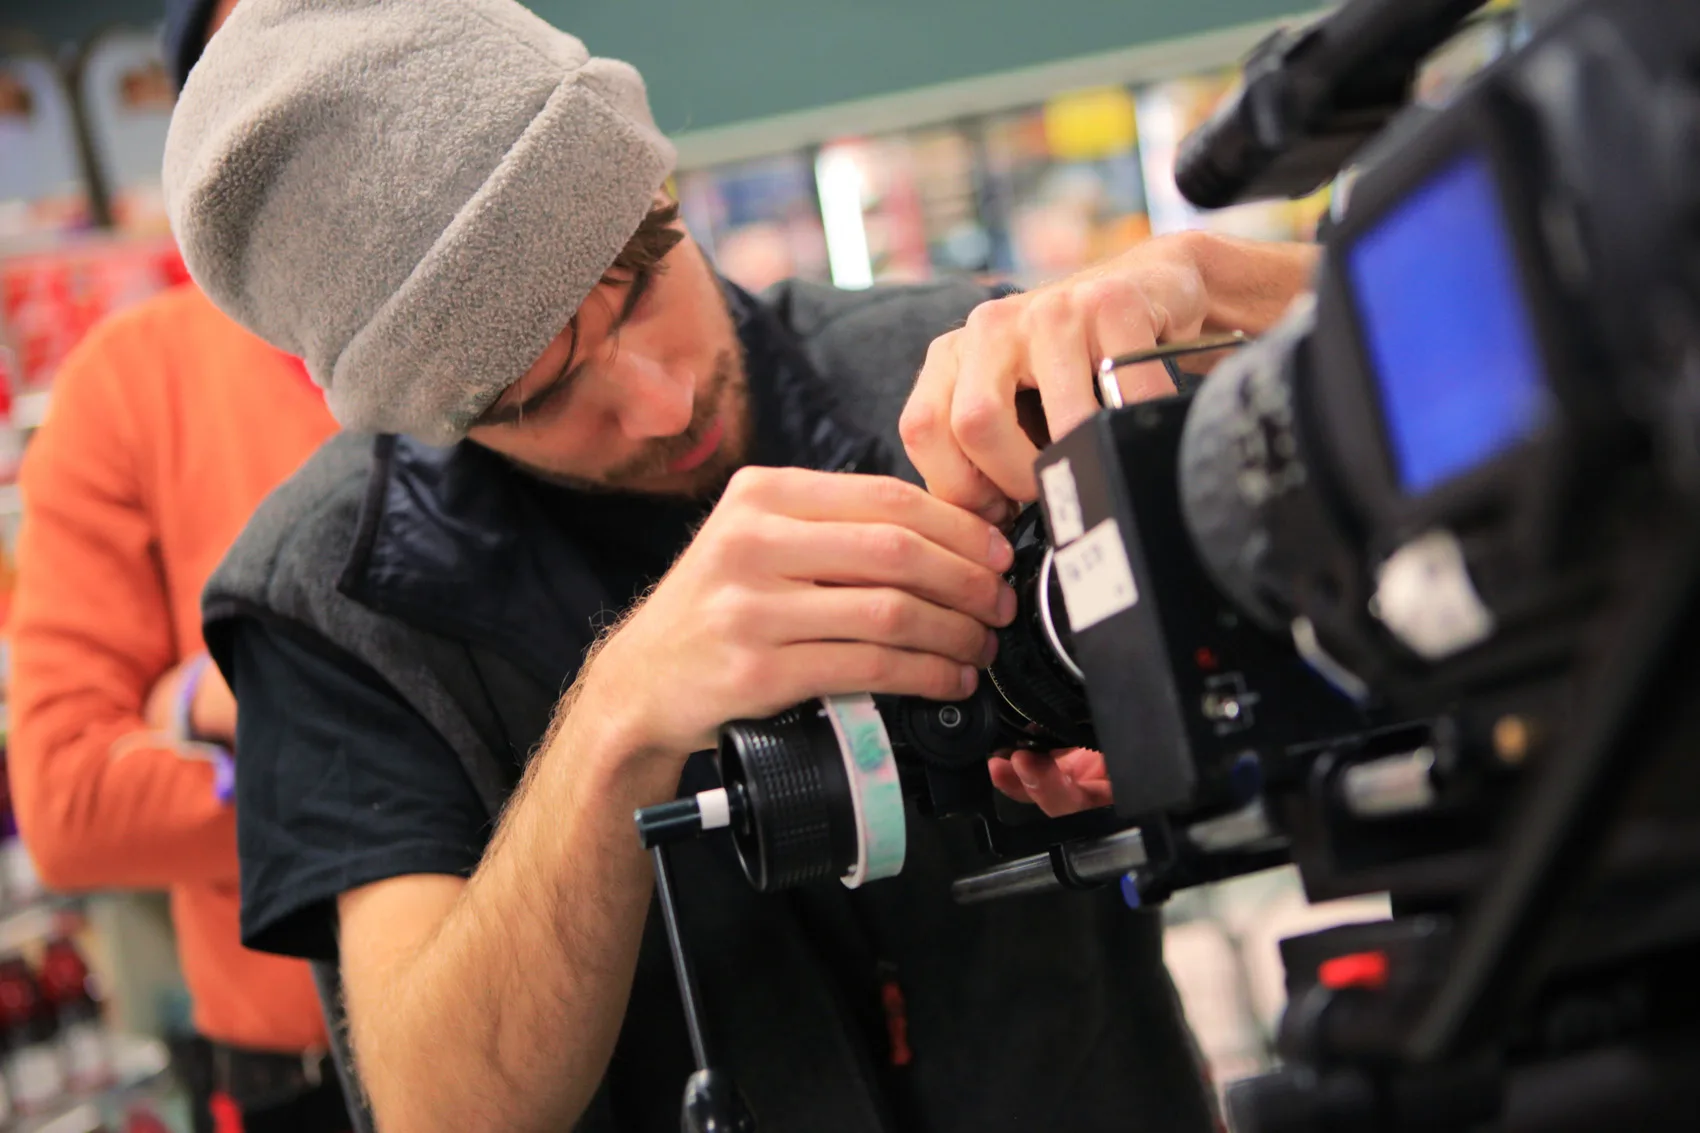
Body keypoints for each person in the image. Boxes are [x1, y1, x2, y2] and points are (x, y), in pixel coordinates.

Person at [160, 1, 1319, 1130]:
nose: (662, 402)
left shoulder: (944, 377)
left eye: (646, 265)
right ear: (435, 420)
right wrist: (618, 720)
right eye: (542, 394)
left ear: (662, 183)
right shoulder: (332, 602)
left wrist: (1225, 292)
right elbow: (438, 1108)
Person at [5, 3, 355, 1129]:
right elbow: (68, 801)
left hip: (627, 1008)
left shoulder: (520, 317)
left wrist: (237, 720)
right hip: (305, 1075)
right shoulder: (132, 382)